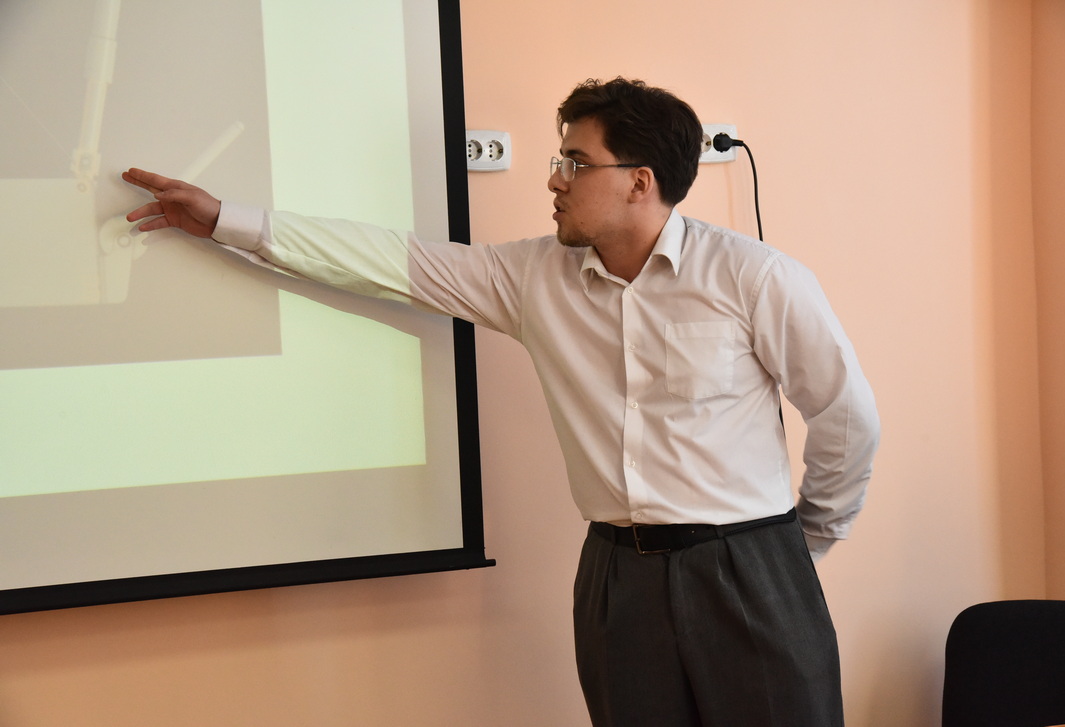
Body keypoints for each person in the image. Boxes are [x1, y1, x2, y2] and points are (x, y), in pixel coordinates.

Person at [124, 77, 879, 727]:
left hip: (751, 565)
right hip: (617, 577)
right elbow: (391, 262)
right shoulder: (531, 278)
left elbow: (846, 417)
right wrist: (225, 220)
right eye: (558, 161)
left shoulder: (754, 277)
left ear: (639, 181)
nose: (554, 181)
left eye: (575, 163)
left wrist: (798, 546)